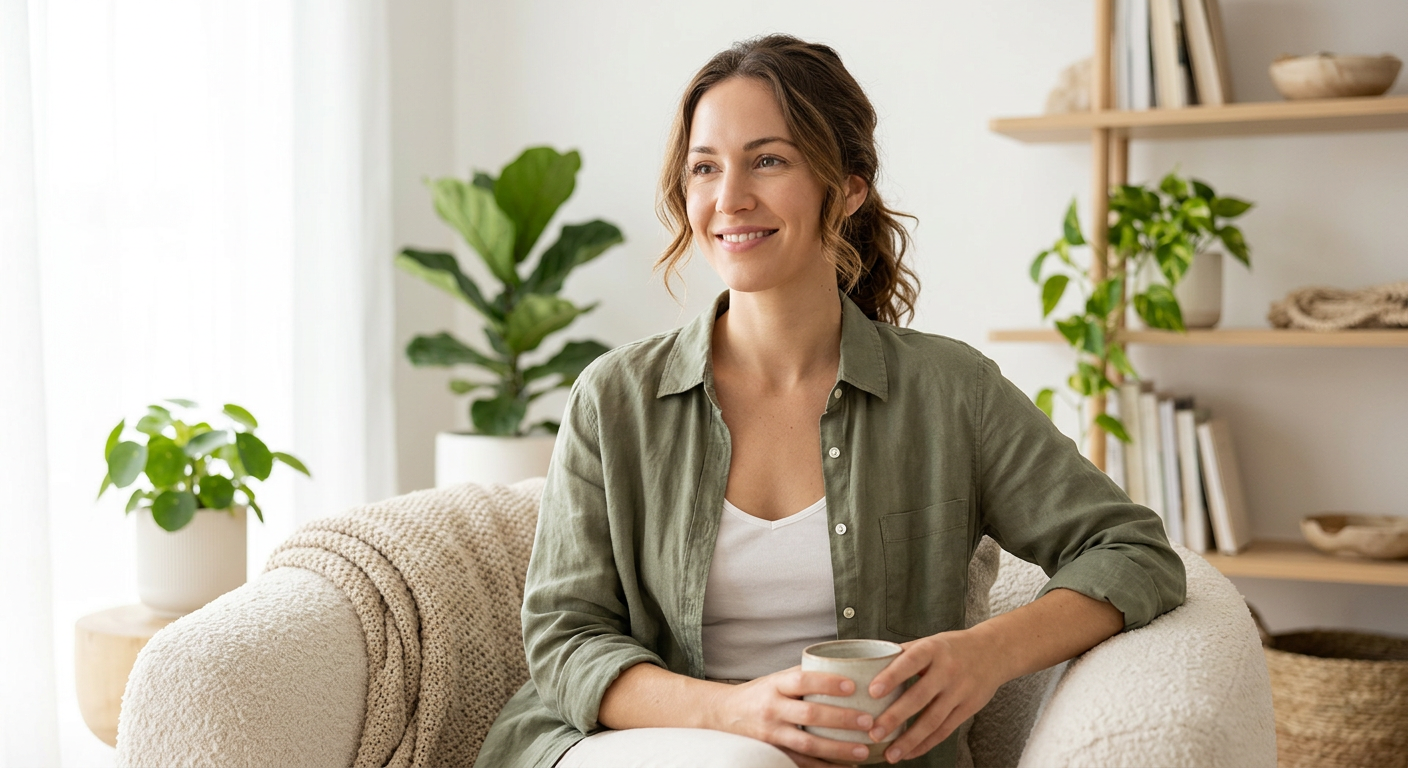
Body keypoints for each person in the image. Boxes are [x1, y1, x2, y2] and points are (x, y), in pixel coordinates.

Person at [475, 34, 1185, 768]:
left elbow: (1132, 551)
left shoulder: (951, 393)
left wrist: (987, 654)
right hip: (635, 748)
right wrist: (733, 714)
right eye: (705, 168)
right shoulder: (615, 398)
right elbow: (564, 639)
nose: (729, 198)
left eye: (768, 160)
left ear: (847, 187)